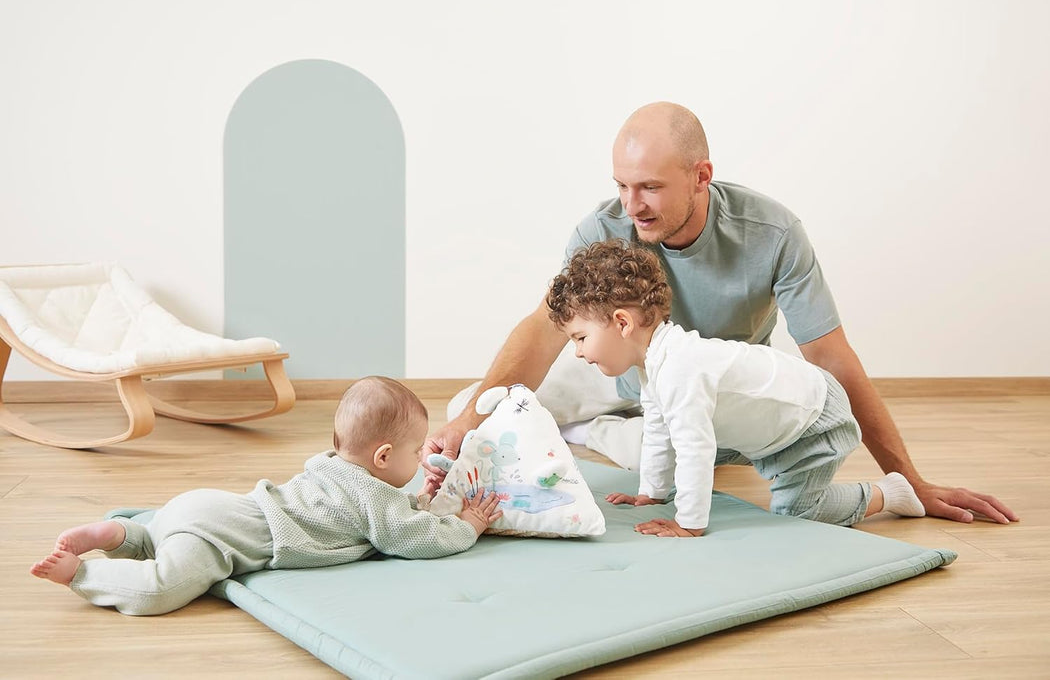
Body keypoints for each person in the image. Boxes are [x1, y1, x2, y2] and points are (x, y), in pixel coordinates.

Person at [424, 101, 1017, 526]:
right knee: (473, 404)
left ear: (701, 176)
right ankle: (586, 423)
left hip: (703, 391)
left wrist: (910, 481)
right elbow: (545, 330)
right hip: (619, 367)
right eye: (622, 186)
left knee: (670, 452)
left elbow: (832, 358)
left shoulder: (773, 233)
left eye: (649, 187)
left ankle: (590, 431)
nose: (632, 205)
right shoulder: (603, 226)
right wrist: (467, 426)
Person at [30, 376, 503, 616]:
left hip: (207, 505)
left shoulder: (333, 467)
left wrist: (421, 498)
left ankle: (123, 534)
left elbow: (392, 513)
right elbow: (414, 537)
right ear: (382, 456)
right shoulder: (374, 500)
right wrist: (467, 526)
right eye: (415, 452)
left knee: (159, 537)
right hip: (220, 539)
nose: (421, 459)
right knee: (161, 588)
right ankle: (83, 572)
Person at [547, 239, 926, 536]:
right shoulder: (655, 364)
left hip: (815, 421)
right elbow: (659, 431)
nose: (578, 352)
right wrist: (652, 493)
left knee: (796, 511)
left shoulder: (680, 367)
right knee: (667, 433)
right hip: (779, 427)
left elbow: (694, 449)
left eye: (580, 338)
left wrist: (689, 523)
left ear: (622, 323)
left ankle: (890, 493)